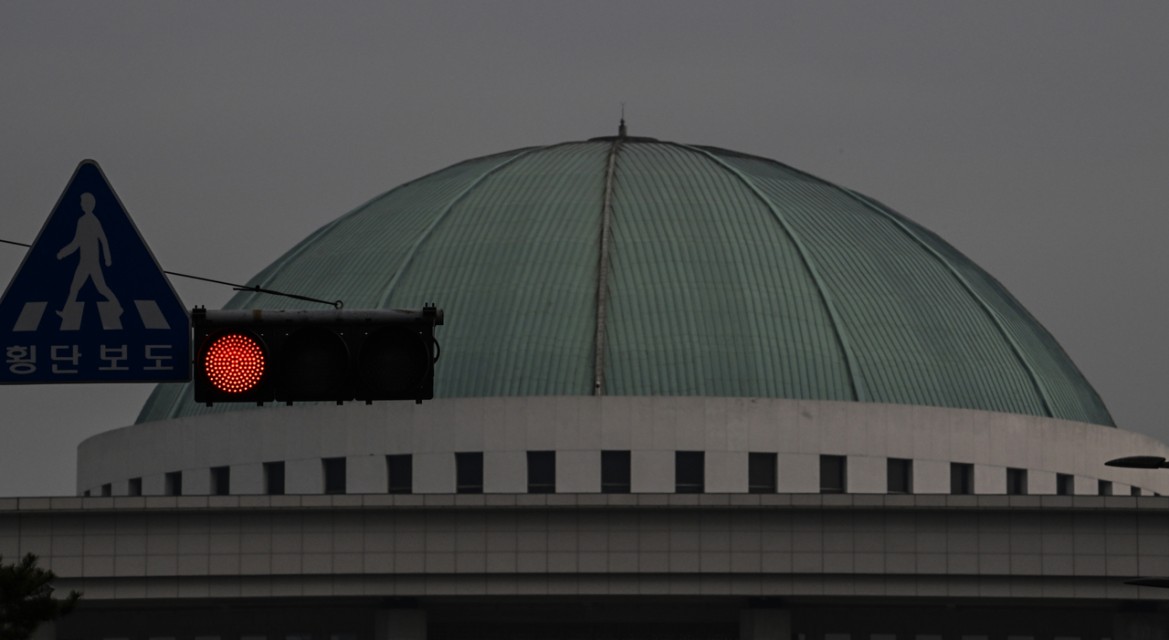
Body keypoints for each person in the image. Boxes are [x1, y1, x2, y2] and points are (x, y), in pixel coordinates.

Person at [57, 192, 121, 314]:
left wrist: (107, 258)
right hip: (85, 261)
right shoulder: (82, 221)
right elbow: (77, 242)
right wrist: (63, 252)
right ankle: (66, 312)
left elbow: (103, 239)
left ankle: (117, 306)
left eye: (83, 202)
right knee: (76, 287)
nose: (81, 204)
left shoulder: (92, 221)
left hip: (91, 262)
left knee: (100, 288)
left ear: (89, 204)